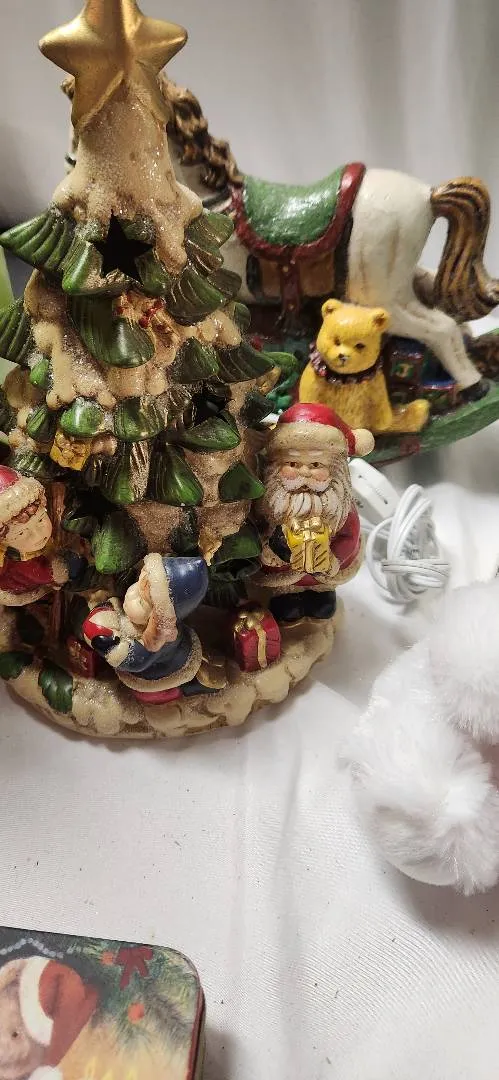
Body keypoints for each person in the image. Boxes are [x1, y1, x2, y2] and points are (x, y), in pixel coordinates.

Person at [256, 402, 374, 622]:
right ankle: (287, 599)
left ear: (335, 468)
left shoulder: (340, 509)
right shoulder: (269, 505)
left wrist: (334, 558)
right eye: (293, 463)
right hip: (284, 576)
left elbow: (349, 536)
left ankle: (321, 596)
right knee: (286, 607)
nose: (304, 472)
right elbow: (260, 530)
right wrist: (270, 549)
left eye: (316, 464)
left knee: (323, 605)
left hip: (323, 574)